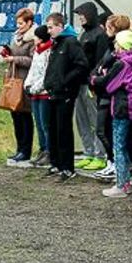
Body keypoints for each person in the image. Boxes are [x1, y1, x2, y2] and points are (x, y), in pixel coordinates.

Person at [96, 29, 132, 198]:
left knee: (119, 146)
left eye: (117, 42)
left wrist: (96, 79)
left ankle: (121, 184)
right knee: (125, 144)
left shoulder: (121, 64)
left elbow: (109, 85)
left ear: (122, 46)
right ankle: (126, 182)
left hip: (121, 107)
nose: (114, 45)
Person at [44, 12, 89, 181]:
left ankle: (67, 167)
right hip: (53, 91)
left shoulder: (71, 43)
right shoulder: (56, 43)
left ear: (60, 26)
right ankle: (56, 163)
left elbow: (81, 65)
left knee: (63, 130)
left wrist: (65, 81)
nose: (48, 31)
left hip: (65, 93)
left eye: (51, 27)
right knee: (52, 128)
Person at [72, 1, 110, 172]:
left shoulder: (99, 35)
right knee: (82, 119)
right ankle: (88, 151)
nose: (80, 18)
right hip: (79, 82)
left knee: (95, 119)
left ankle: (100, 154)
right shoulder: (84, 34)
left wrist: (93, 78)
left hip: (91, 83)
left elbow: (101, 59)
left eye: (82, 15)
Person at [3, 8, 37, 166]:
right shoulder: (16, 37)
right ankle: (19, 148)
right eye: (17, 23)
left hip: (25, 81)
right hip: (14, 79)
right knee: (15, 116)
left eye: (21, 23)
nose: (19, 26)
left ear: (29, 23)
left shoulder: (33, 40)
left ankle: (26, 149)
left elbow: (32, 60)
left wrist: (14, 58)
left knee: (25, 116)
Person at [22, 25, 54, 167]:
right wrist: (27, 84)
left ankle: (49, 150)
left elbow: (46, 73)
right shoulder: (37, 51)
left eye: (36, 36)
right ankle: (42, 148)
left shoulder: (49, 51)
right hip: (34, 93)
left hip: (44, 93)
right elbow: (33, 70)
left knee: (46, 123)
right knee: (39, 124)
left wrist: (36, 88)